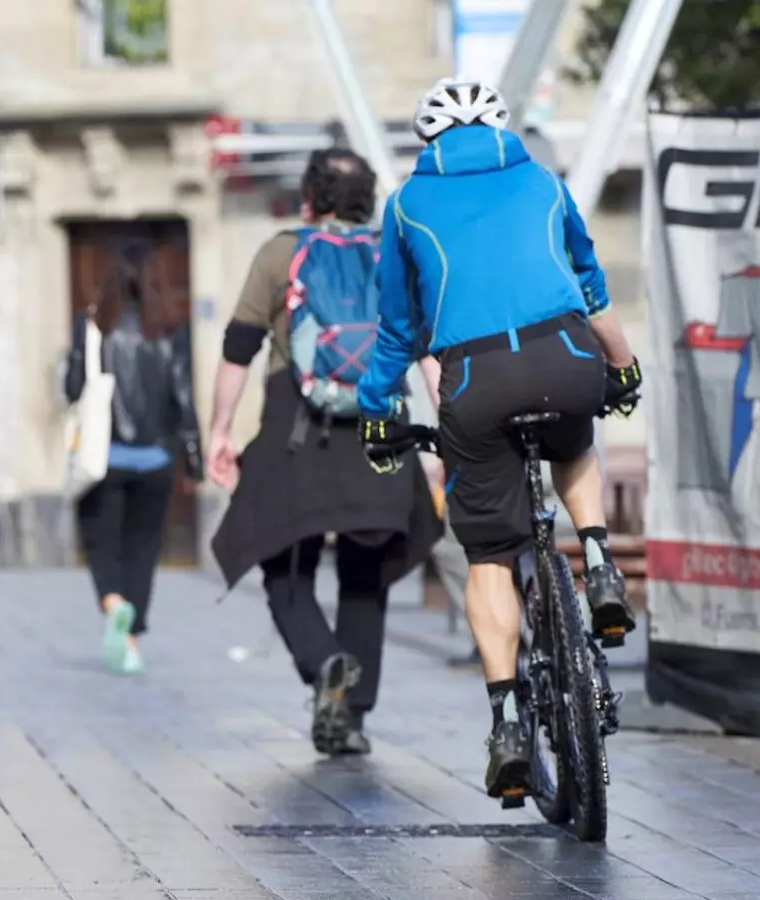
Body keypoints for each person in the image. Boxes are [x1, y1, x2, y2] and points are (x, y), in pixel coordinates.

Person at [354, 77, 643, 802]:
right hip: (566, 355)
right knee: (574, 439)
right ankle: (600, 564)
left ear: (429, 140)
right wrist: (623, 366)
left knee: (488, 555)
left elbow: (397, 328)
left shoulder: (407, 205)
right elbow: (590, 285)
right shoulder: (543, 180)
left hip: (477, 378)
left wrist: (377, 410)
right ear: (500, 127)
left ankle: (509, 723)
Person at [207, 148, 442, 756]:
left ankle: (324, 661)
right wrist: (453, 430)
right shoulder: (393, 257)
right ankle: (352, 716)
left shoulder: (281, 253)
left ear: (308, 198)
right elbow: (427, 354)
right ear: (368, 198)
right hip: (379, 424)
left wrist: (220, 430)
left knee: (283, 562)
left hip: (297, 427)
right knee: (367, 570)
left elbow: (239, 348)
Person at [63, 240, 202, 675]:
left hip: (104, 458)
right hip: (155, 460)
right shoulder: (171, 329)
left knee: (100, 541)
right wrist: (194, 459)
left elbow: (72, 386)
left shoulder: (91, 325)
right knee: (143, 549)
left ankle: (113, 602)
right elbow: (183, 397)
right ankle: (131, 642)